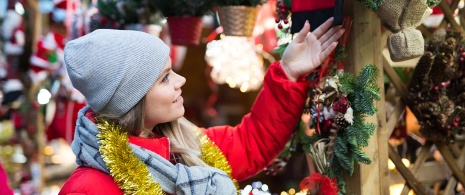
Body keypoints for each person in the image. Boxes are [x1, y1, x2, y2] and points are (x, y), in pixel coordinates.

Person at [58, 18, 344, 194]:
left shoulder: (185, 146)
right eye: (165, 78)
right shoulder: (88, 188)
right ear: (133, 98)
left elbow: (251, 141)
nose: (181, 80)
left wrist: (289, 72)